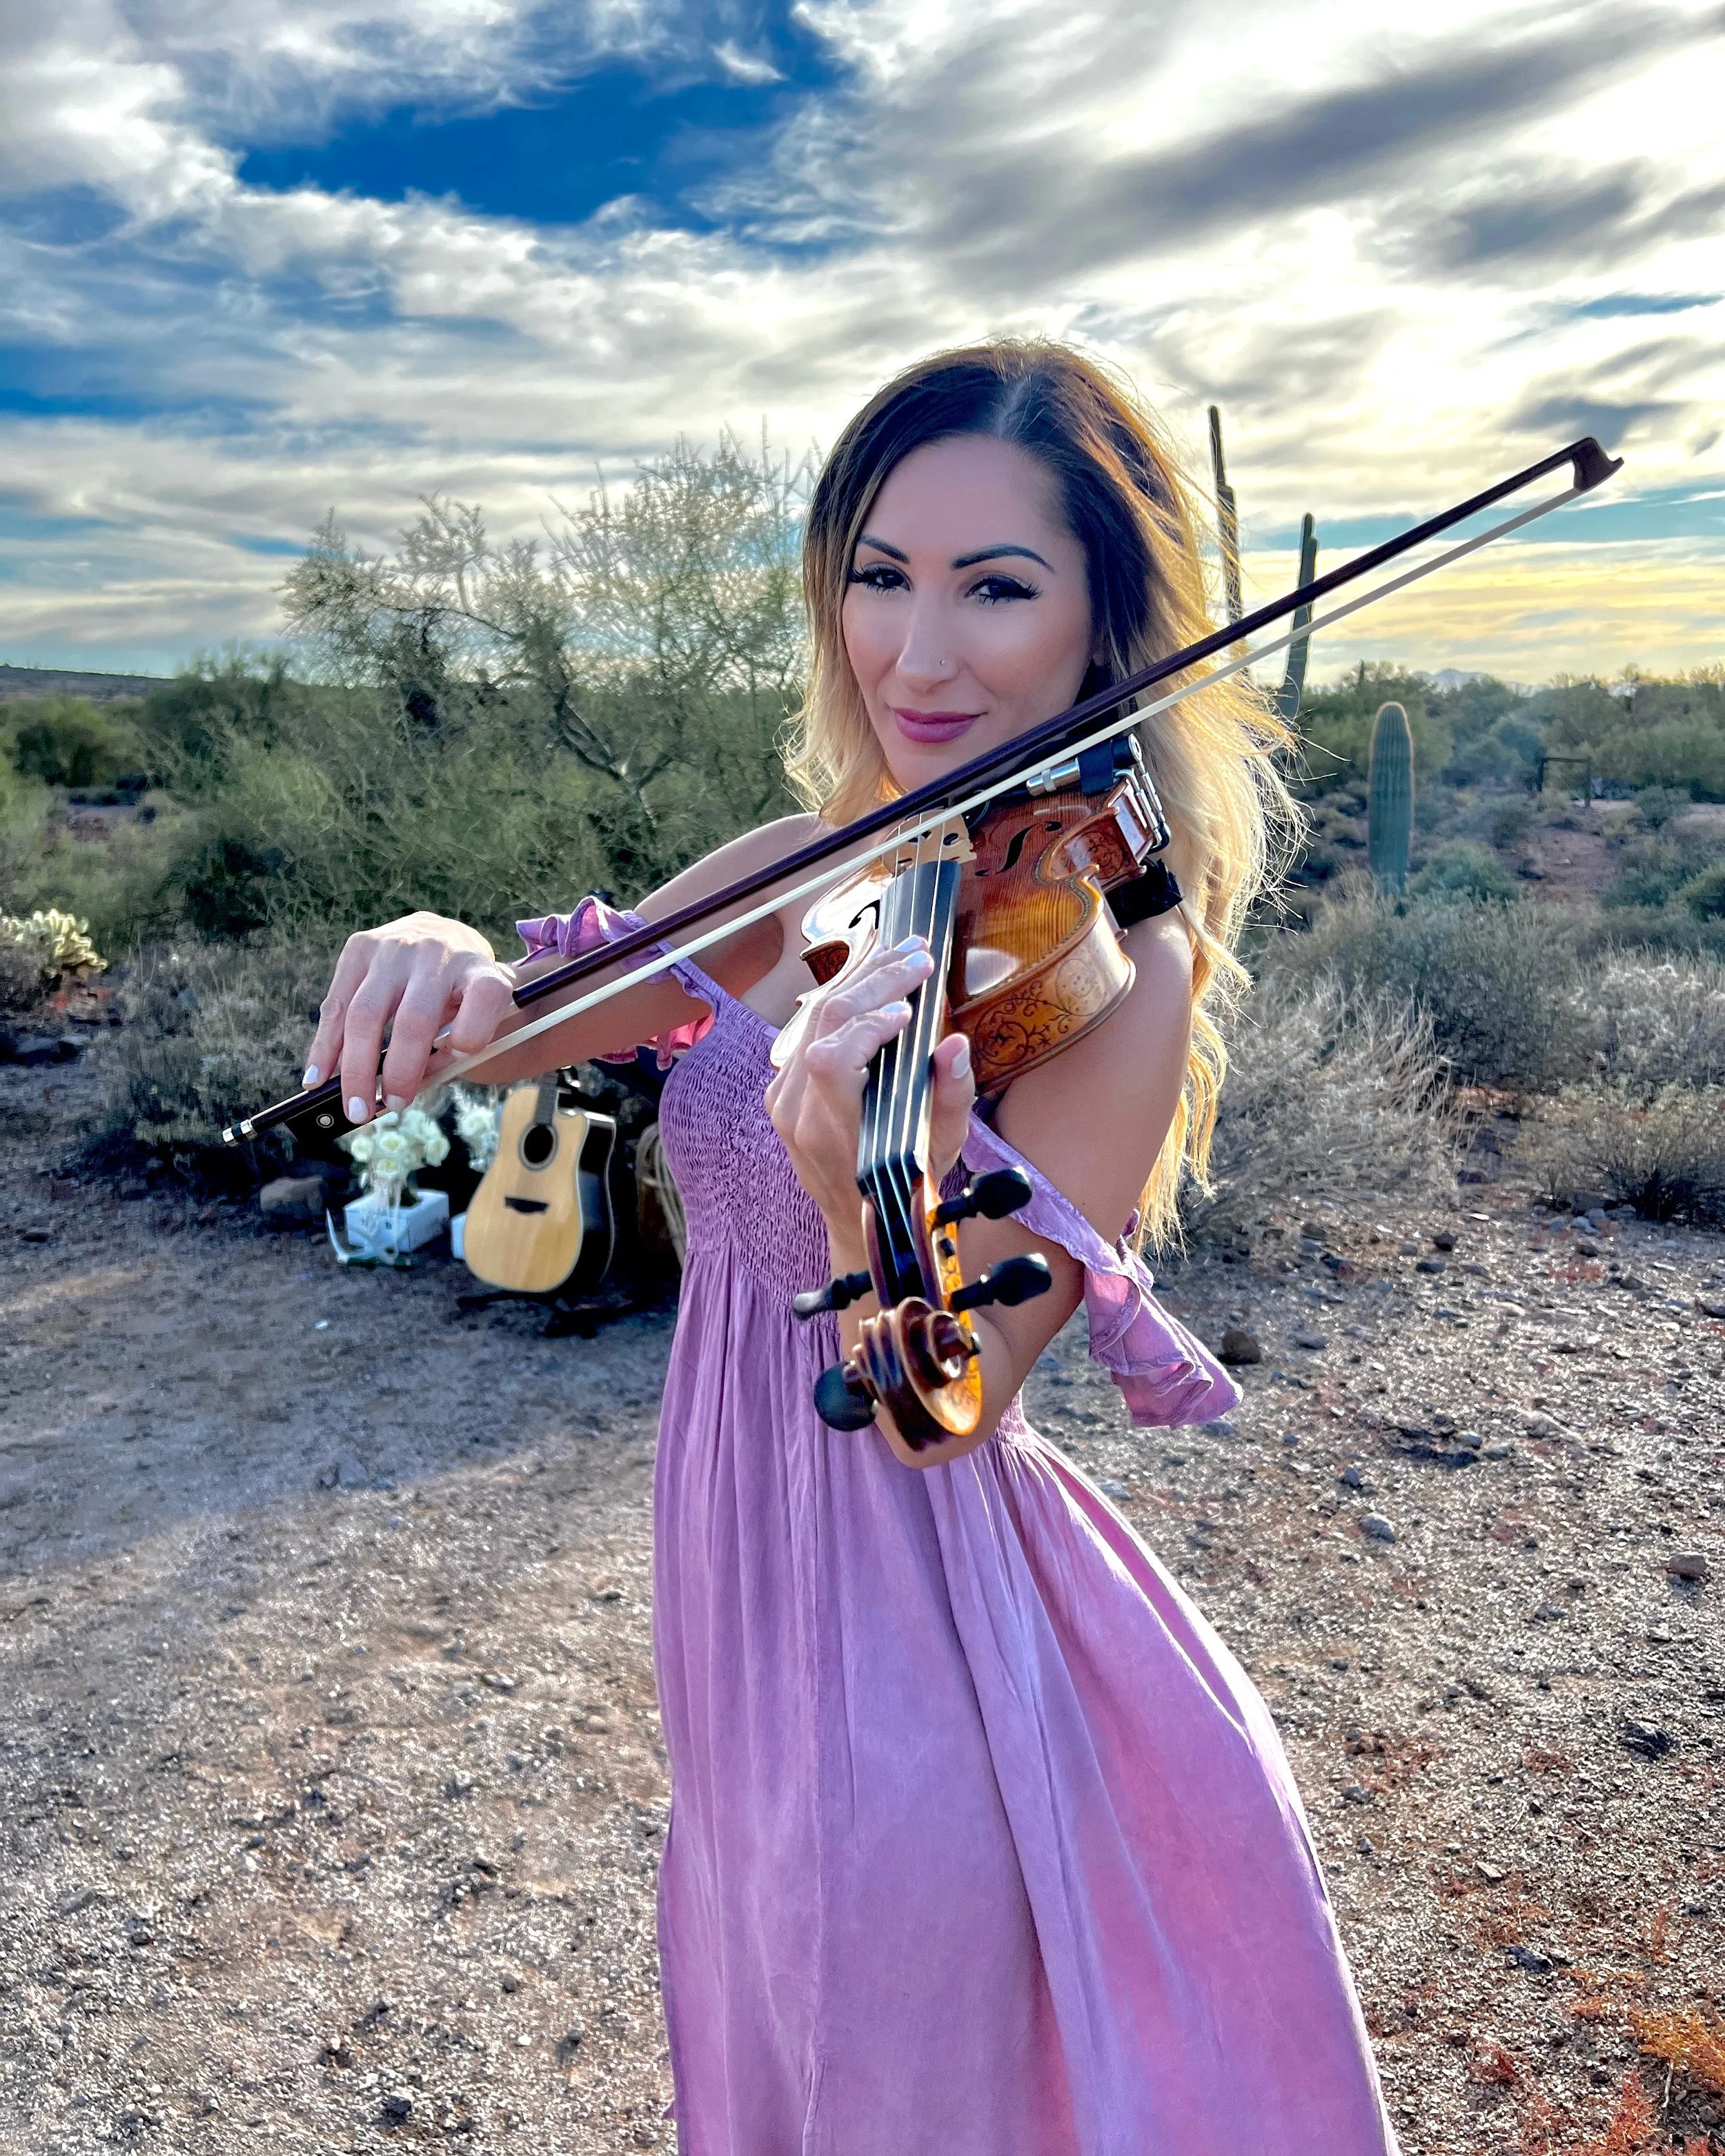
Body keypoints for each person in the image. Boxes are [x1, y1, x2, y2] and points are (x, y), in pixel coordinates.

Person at [302, 342, 1399, 2154]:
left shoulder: (1118, 962)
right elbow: (531, 1016)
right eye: (880, 577)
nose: (917, 652)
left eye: (995, 587)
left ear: (1100, 623)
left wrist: (857, 1192)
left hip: (912, 1651)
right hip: (736, 1604)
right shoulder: (824, 855)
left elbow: (944, 1405)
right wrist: (436, 948)